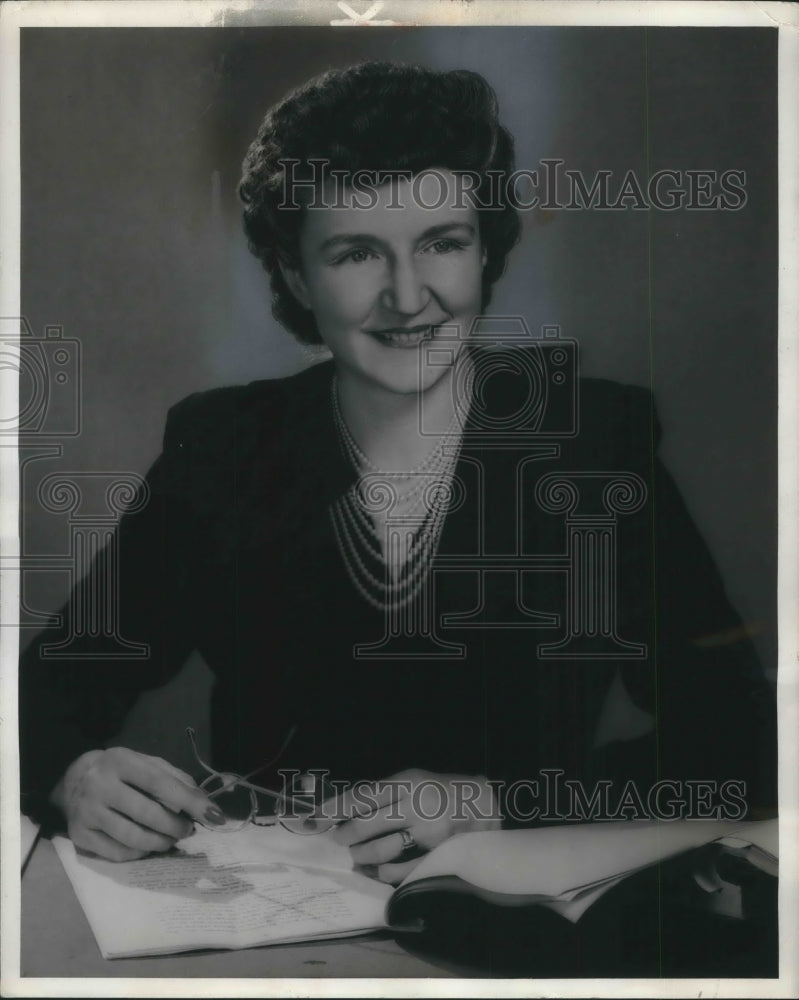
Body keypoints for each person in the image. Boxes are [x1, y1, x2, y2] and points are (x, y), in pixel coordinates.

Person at [19, 62, 776, 884]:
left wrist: (493, 802)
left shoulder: (592, 445)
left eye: (441, 244)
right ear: (296, 276)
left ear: (485, 250)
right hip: (275, 928)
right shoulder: (225, 447)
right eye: (355, 254)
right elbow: (47, 693)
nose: (408, 296)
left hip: (519, 926)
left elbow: (747, 741)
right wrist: (71, 773)